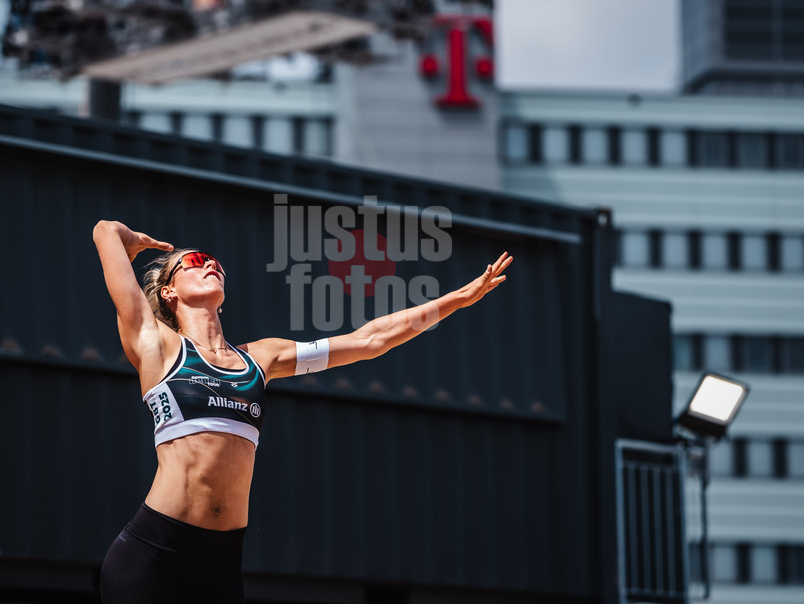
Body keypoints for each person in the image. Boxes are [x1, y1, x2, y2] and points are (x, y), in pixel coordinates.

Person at [94, 219, 512, 603]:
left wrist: (456, 300)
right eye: (197, 262)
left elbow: (368, 341)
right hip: (154, 553)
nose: (211, 266)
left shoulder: (262, 358)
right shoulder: (157, 345)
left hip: (220, 564)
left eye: (216, 263)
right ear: (168, 291)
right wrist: (134, 243)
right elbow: (104, 230)